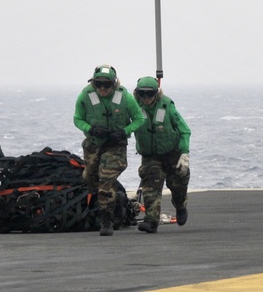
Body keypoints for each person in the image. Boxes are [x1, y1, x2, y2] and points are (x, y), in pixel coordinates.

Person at [73, 64, 147, 236]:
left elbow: (139, 119)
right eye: (99, 84)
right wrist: (91, 129)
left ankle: (106, 219)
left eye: (107, 84)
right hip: (93, 142)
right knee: (89, 176)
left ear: (114, 84)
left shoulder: (125, 97)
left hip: (116, 144)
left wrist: (124, 131)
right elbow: (77, 119)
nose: (103, 88)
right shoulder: (85, 95)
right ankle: (116, 199)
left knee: (106, 179)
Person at [132, 76, 191, 233]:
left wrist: (184, 154)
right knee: (151, 185)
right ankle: (151, 221)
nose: (146, 99)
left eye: (150, 94)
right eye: (142, 94)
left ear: (156, 94)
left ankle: (181, 206)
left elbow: (184, 130)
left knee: (178, 186)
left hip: (172, 153)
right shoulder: (133, 106)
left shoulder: (167, 106)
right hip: (151, 156)